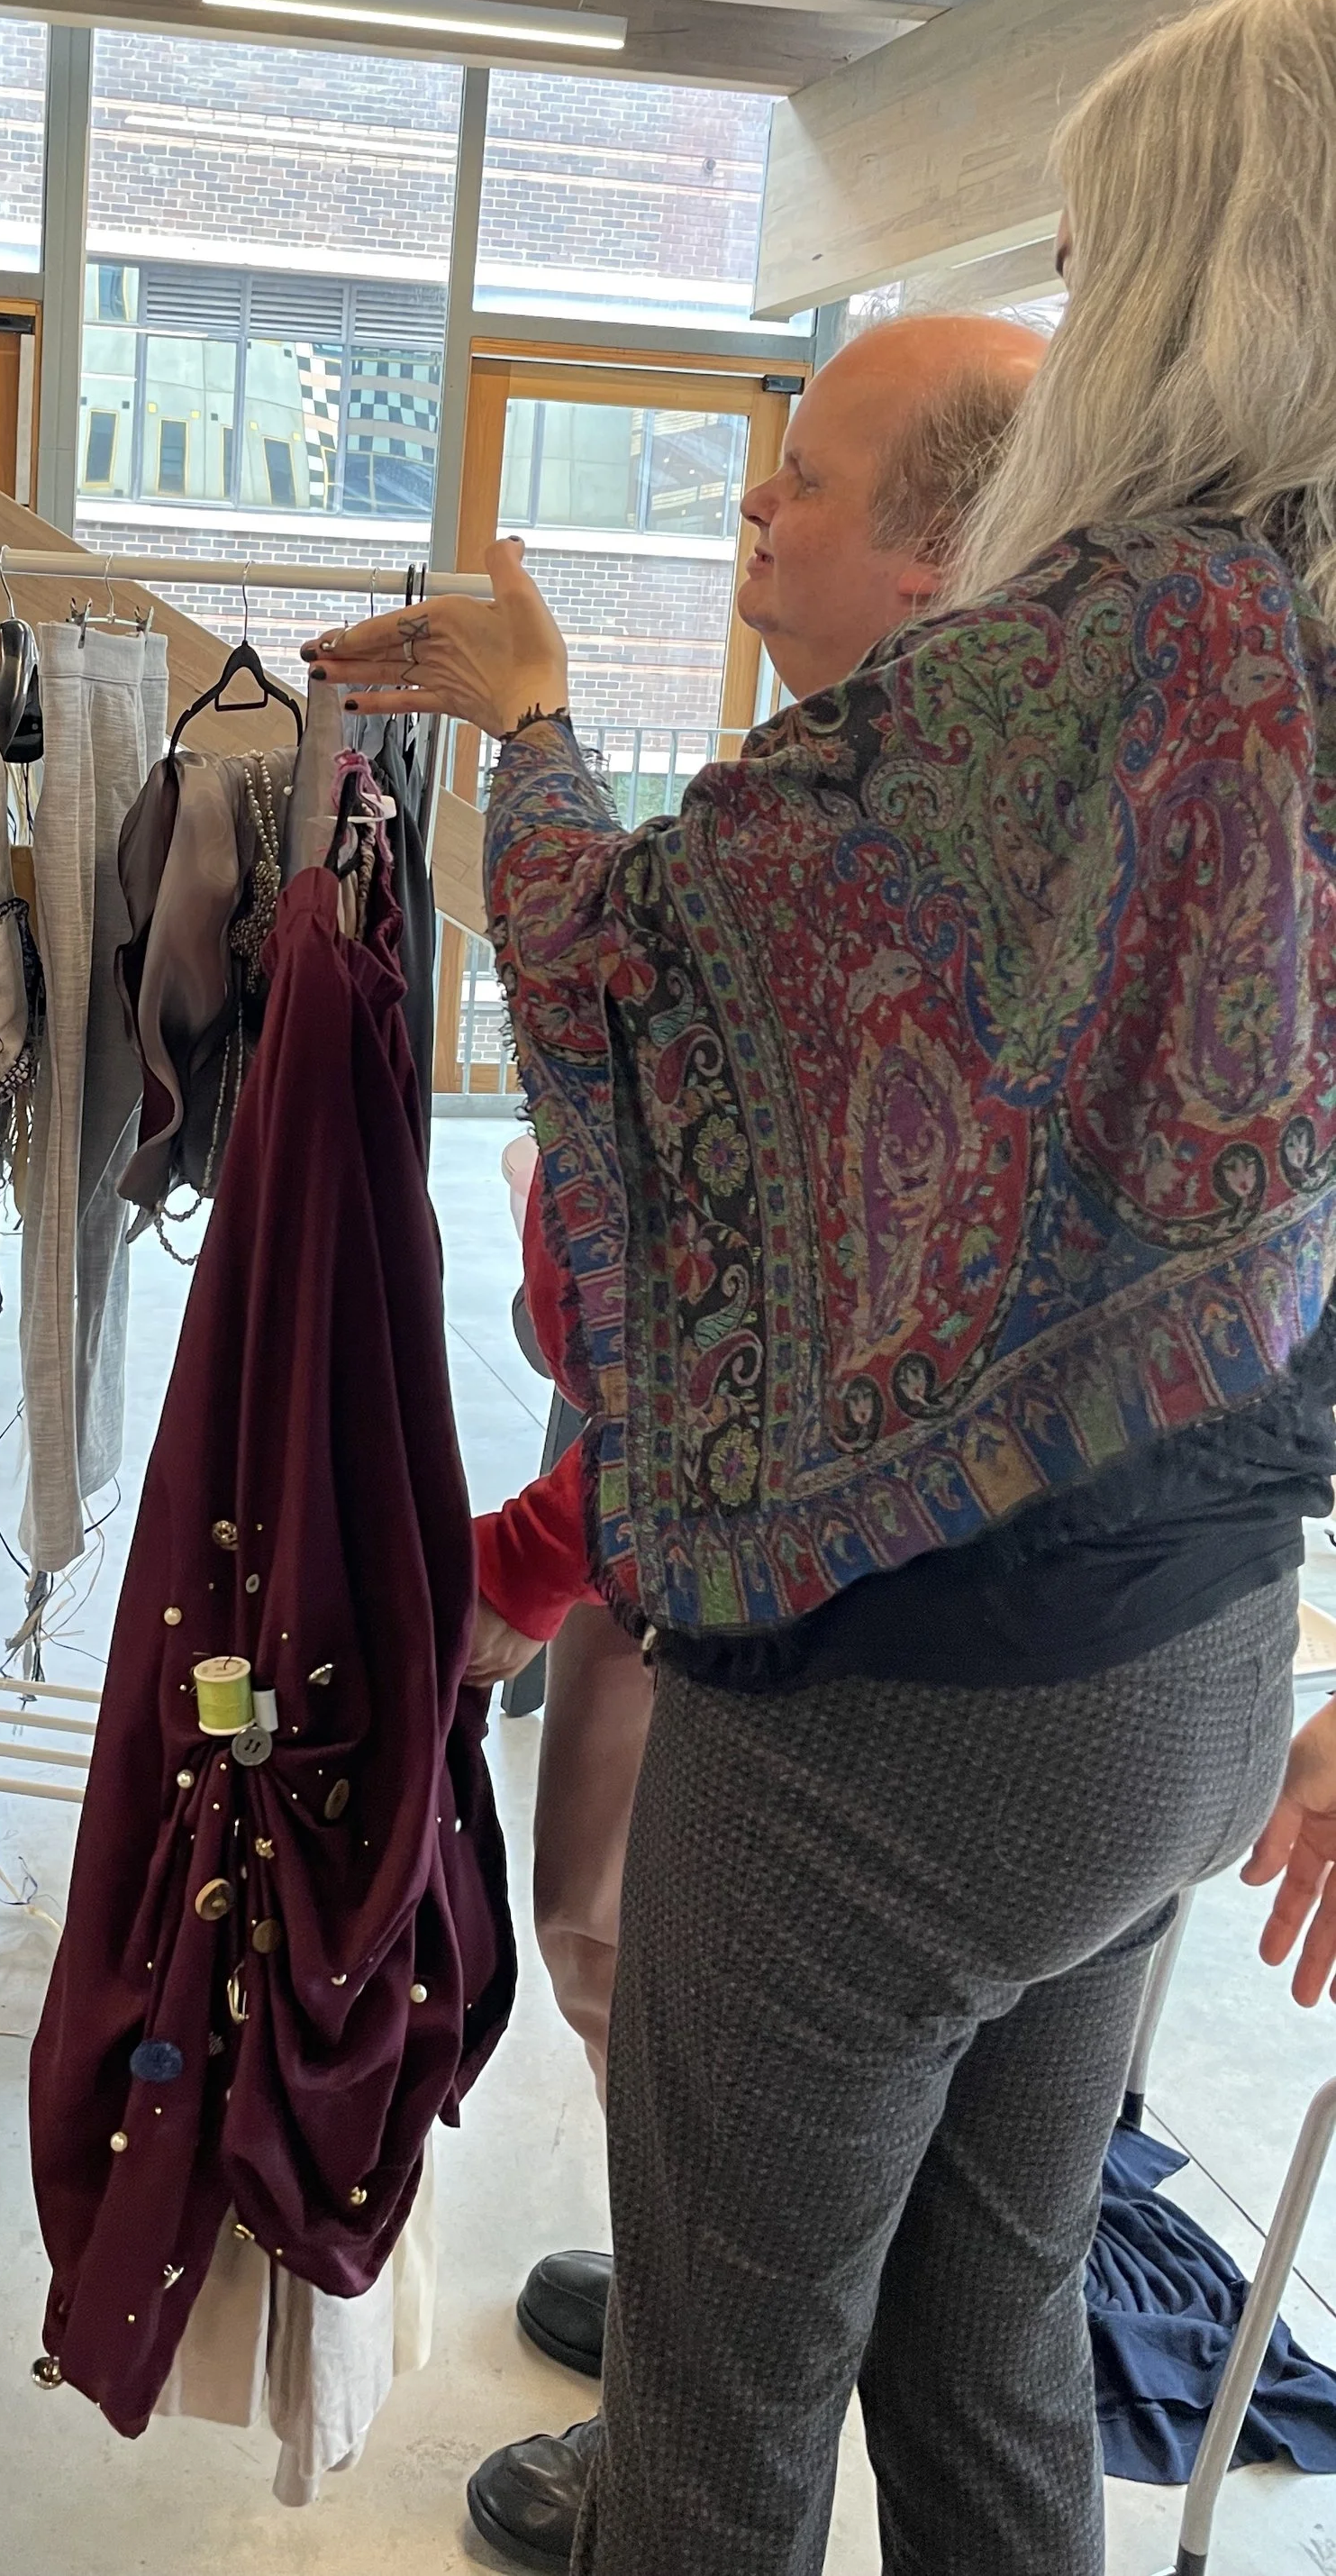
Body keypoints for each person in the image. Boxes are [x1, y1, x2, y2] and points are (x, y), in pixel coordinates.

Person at [306, 0, 1336, 2576]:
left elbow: (655, 982)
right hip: (1194, 1668)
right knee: (978, 2346)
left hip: (921, 1700)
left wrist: (527, 729)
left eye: (1119, 252)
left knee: (713, 2423)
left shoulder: (1139, 640)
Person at [467, 314, 1047, 2391]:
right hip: (900, 1607)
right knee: (980, 2288)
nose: (748, 507)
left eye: (795, 475)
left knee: (666, 1978)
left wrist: (527, 717)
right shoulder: (897, 793)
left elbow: (740, 1326)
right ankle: (714, 2295)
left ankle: (704, 2353)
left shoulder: (867, 840)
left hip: (818, 1627)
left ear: (937, 544)